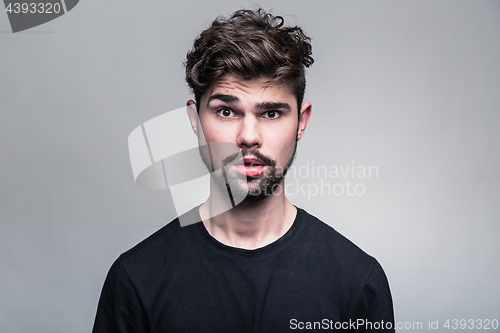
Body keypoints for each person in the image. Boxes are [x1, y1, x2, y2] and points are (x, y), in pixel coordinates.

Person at [92, 8, 395, 333]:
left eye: (271, 114)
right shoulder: (137, 280)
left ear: (301, 122)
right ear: (195, 121)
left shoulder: (358, 282)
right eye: (226, 111)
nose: (248, 136)